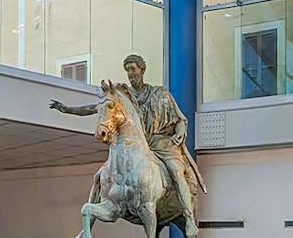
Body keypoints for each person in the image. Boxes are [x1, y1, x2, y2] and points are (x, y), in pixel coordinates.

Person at [49, 53, 206, 224]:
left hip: (161, 144)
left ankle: (189, 217)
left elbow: (179, 119)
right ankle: (90, 222)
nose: (130, 74)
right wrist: (67, 109)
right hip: (138, 145)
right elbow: (96, 108)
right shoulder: (124, 98)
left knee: (176, 171)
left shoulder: (160, 94)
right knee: (100, 175)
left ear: (142, 70)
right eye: (127, 70)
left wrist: (179, 133)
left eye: (133, 69)